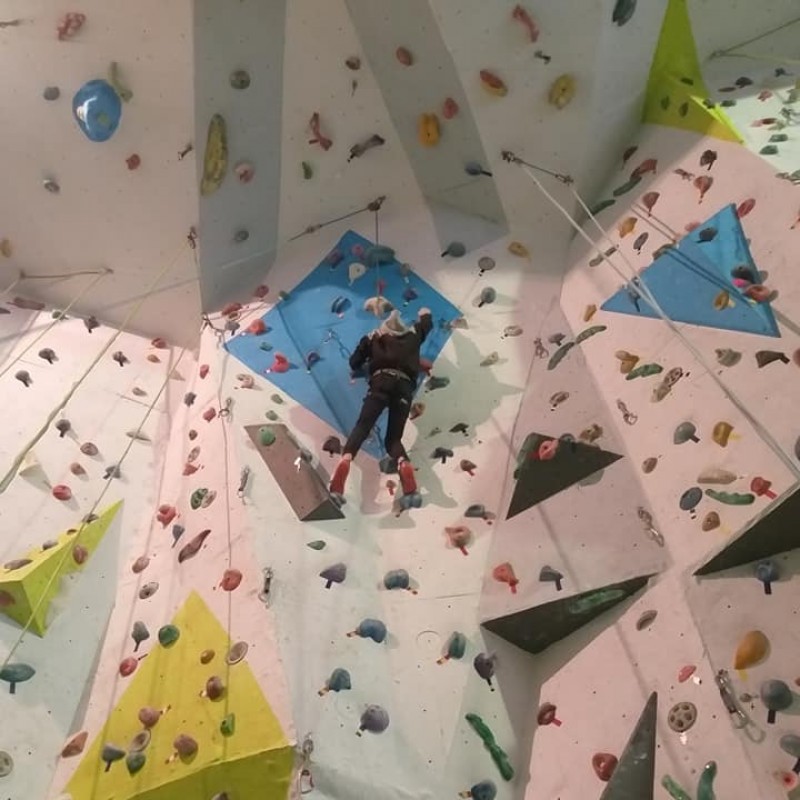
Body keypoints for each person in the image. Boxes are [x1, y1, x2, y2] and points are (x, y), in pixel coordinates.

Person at [329, 307, 433, 498]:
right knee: (393, 440)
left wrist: (368, 346)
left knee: (363, 426)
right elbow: (427, 324)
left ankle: (346, 459)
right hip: (404, 387)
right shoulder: (413, 335)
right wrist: (423, 313)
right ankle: (403, 462)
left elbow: (354, 362)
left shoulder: (374, 337)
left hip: (380, 382)